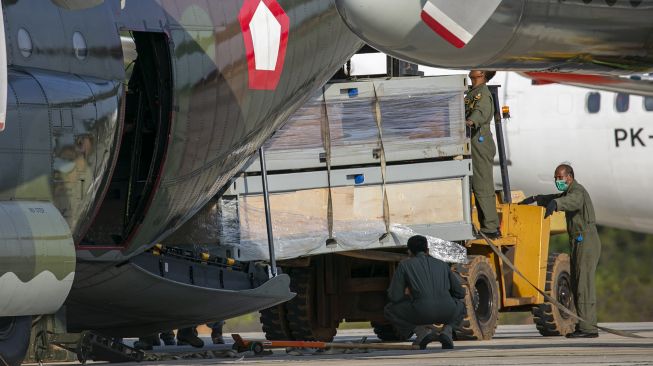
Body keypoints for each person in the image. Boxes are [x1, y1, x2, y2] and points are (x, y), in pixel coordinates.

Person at [520, 164, 601, 338]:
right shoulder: (569, 191)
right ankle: (583, 324)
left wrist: (556, 204)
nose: (557, 181)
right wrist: (537, 199)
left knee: (583, 284)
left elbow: (571, 201)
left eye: (560, 177)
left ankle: (589, 329)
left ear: (569, 177)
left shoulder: (577, 191)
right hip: (578, 241)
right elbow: (557, 197)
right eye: (555, 178)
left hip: (586, 241)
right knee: (576, 282)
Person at [384, 235, 466, 349]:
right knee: (461, 305)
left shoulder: (404, 265)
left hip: (420, 312)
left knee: (389, 309)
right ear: (427, 250)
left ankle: (421, 333)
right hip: (447, 312)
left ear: (409, 251)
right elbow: (460, 293)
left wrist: (410, 298)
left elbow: (394, 296)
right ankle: (447, 332)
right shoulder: (443, 264)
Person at [466, 70, 500, 239]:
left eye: (476, 70)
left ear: (482, 75)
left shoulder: (483, 94)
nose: (472, 71)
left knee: (482, 185)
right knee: (474, 185)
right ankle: (485, 224)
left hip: (480, 142)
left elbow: (480, 113)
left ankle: (491, 227)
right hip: (471, 142)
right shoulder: (472, 92)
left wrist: (470, 121)